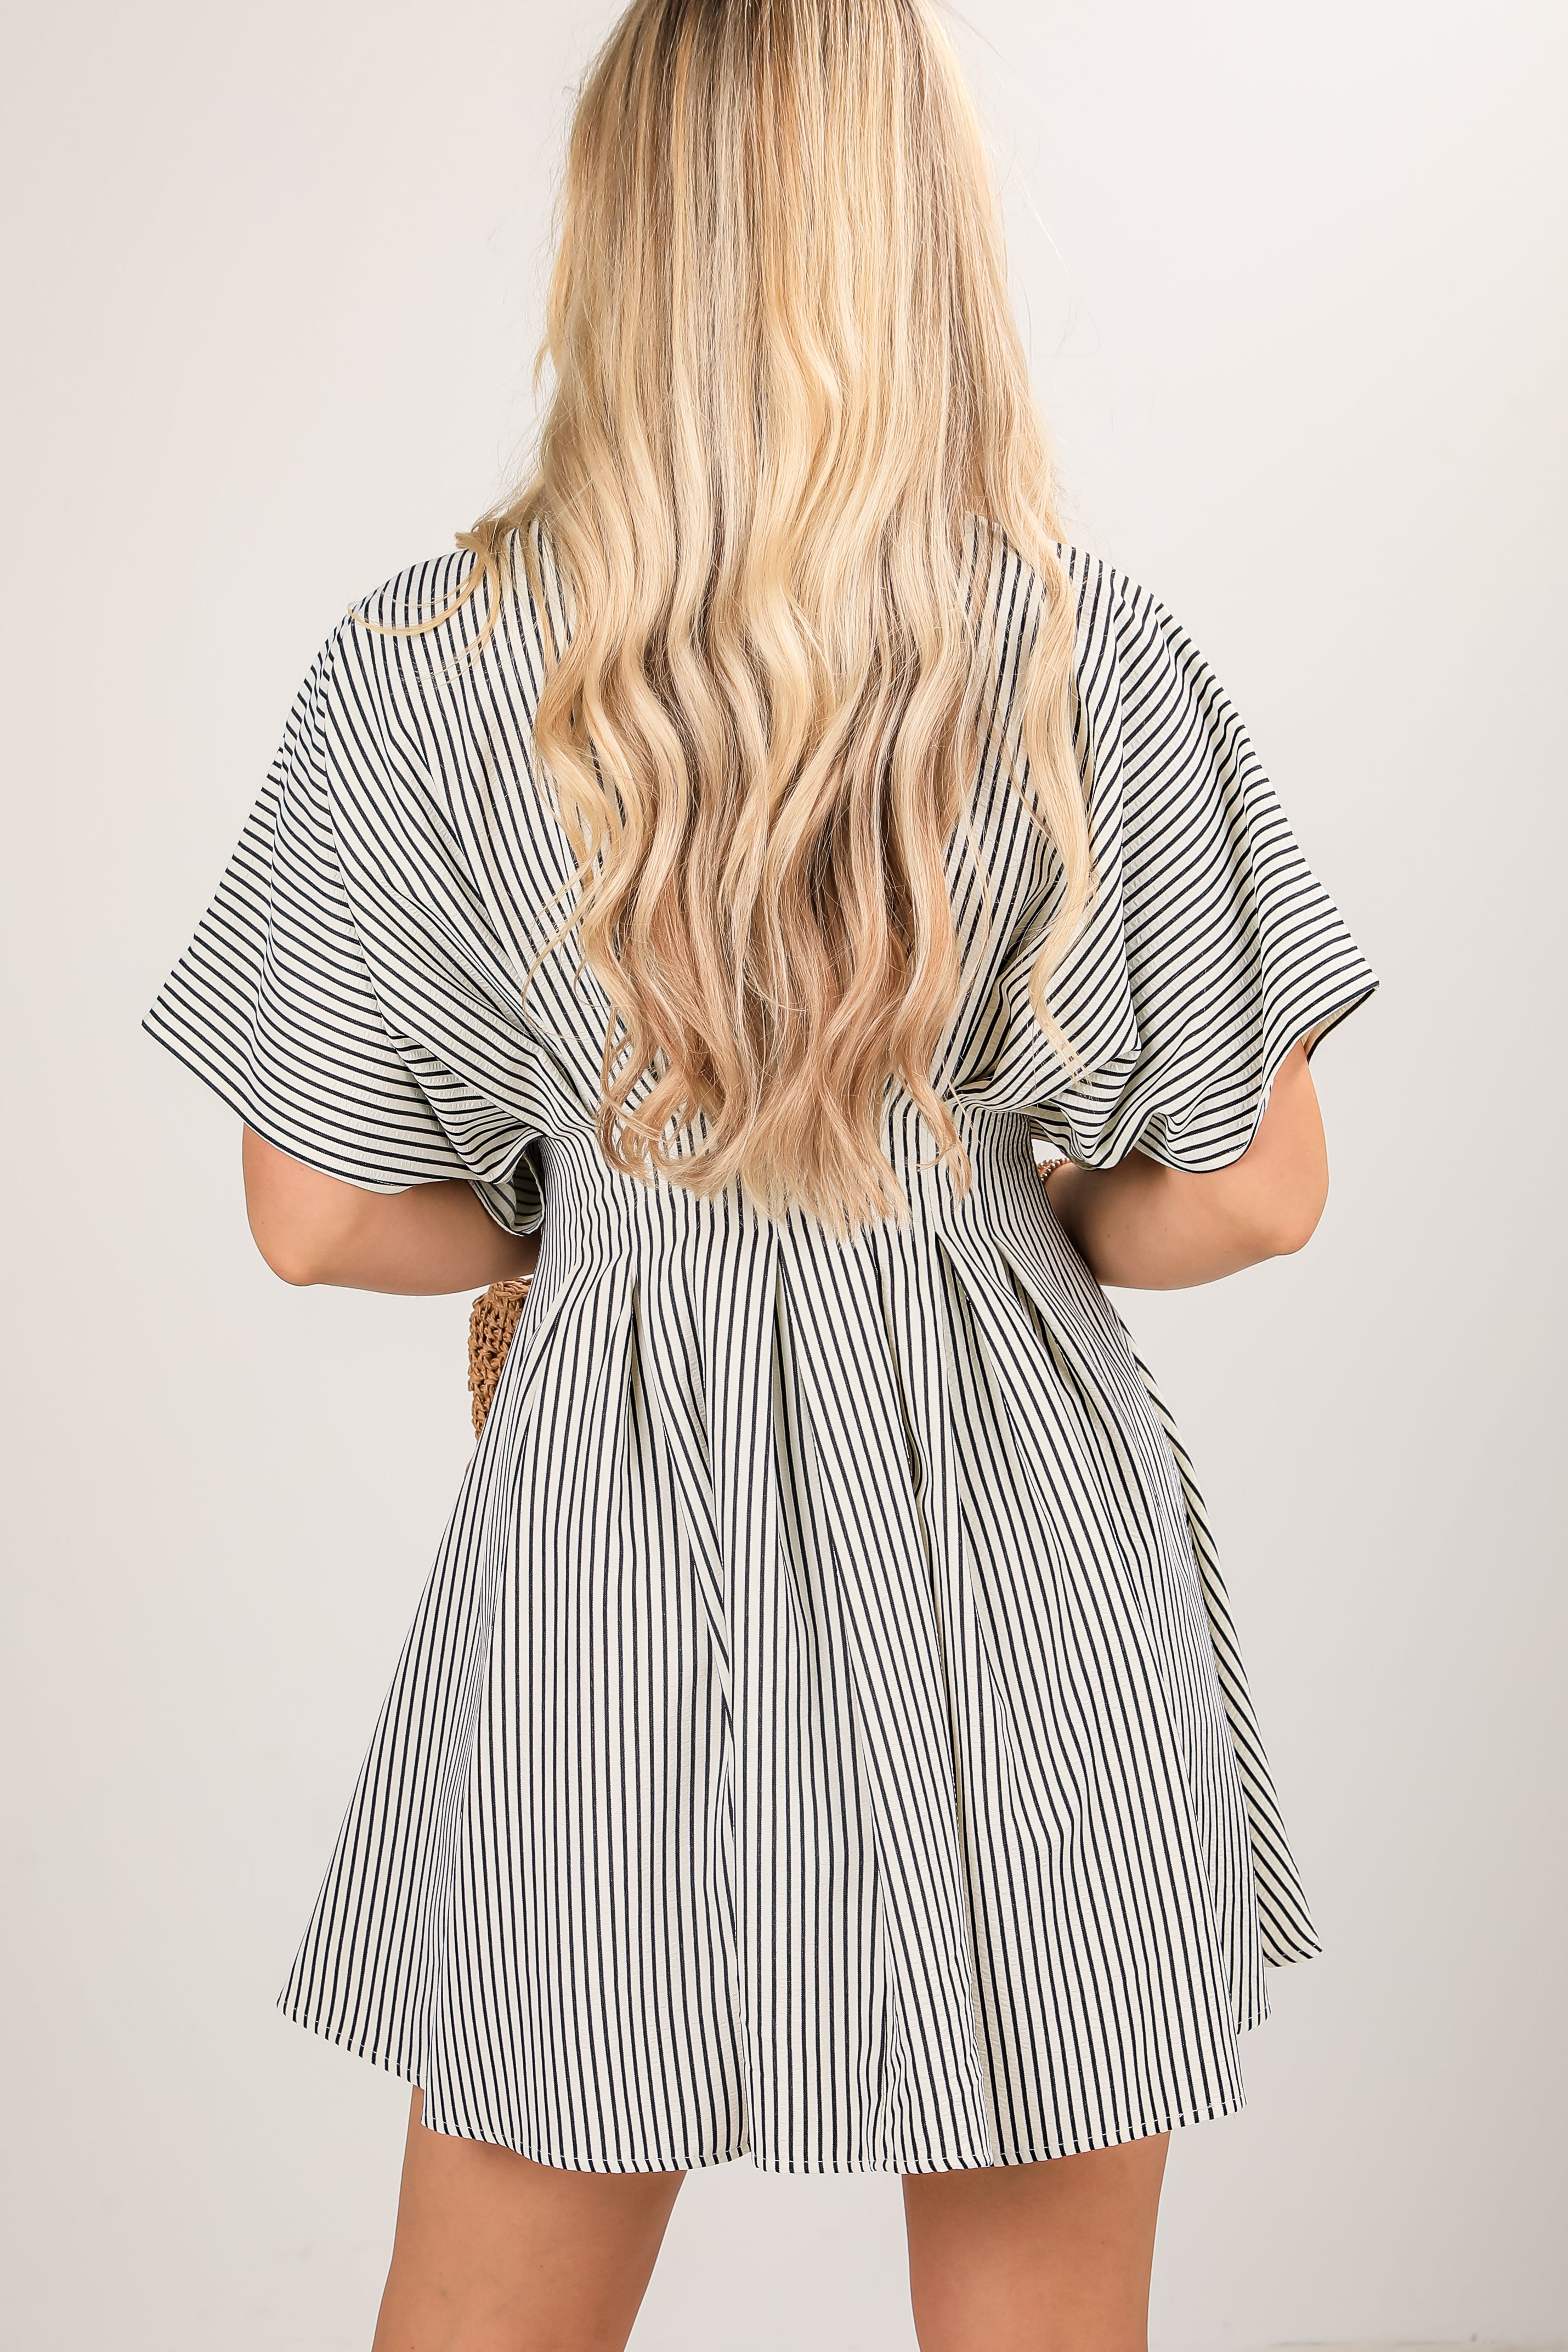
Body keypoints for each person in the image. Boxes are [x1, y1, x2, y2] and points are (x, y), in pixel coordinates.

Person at [143, 2, 1377, 2345]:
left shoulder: (419, 670)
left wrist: (571, 1236)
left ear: (620, 242)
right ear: (919, 232)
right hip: (1017, 1552)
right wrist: (1004, 1218)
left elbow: (309, 1210)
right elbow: (1251, 1188)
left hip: (608, 1540)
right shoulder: (1083, 658)